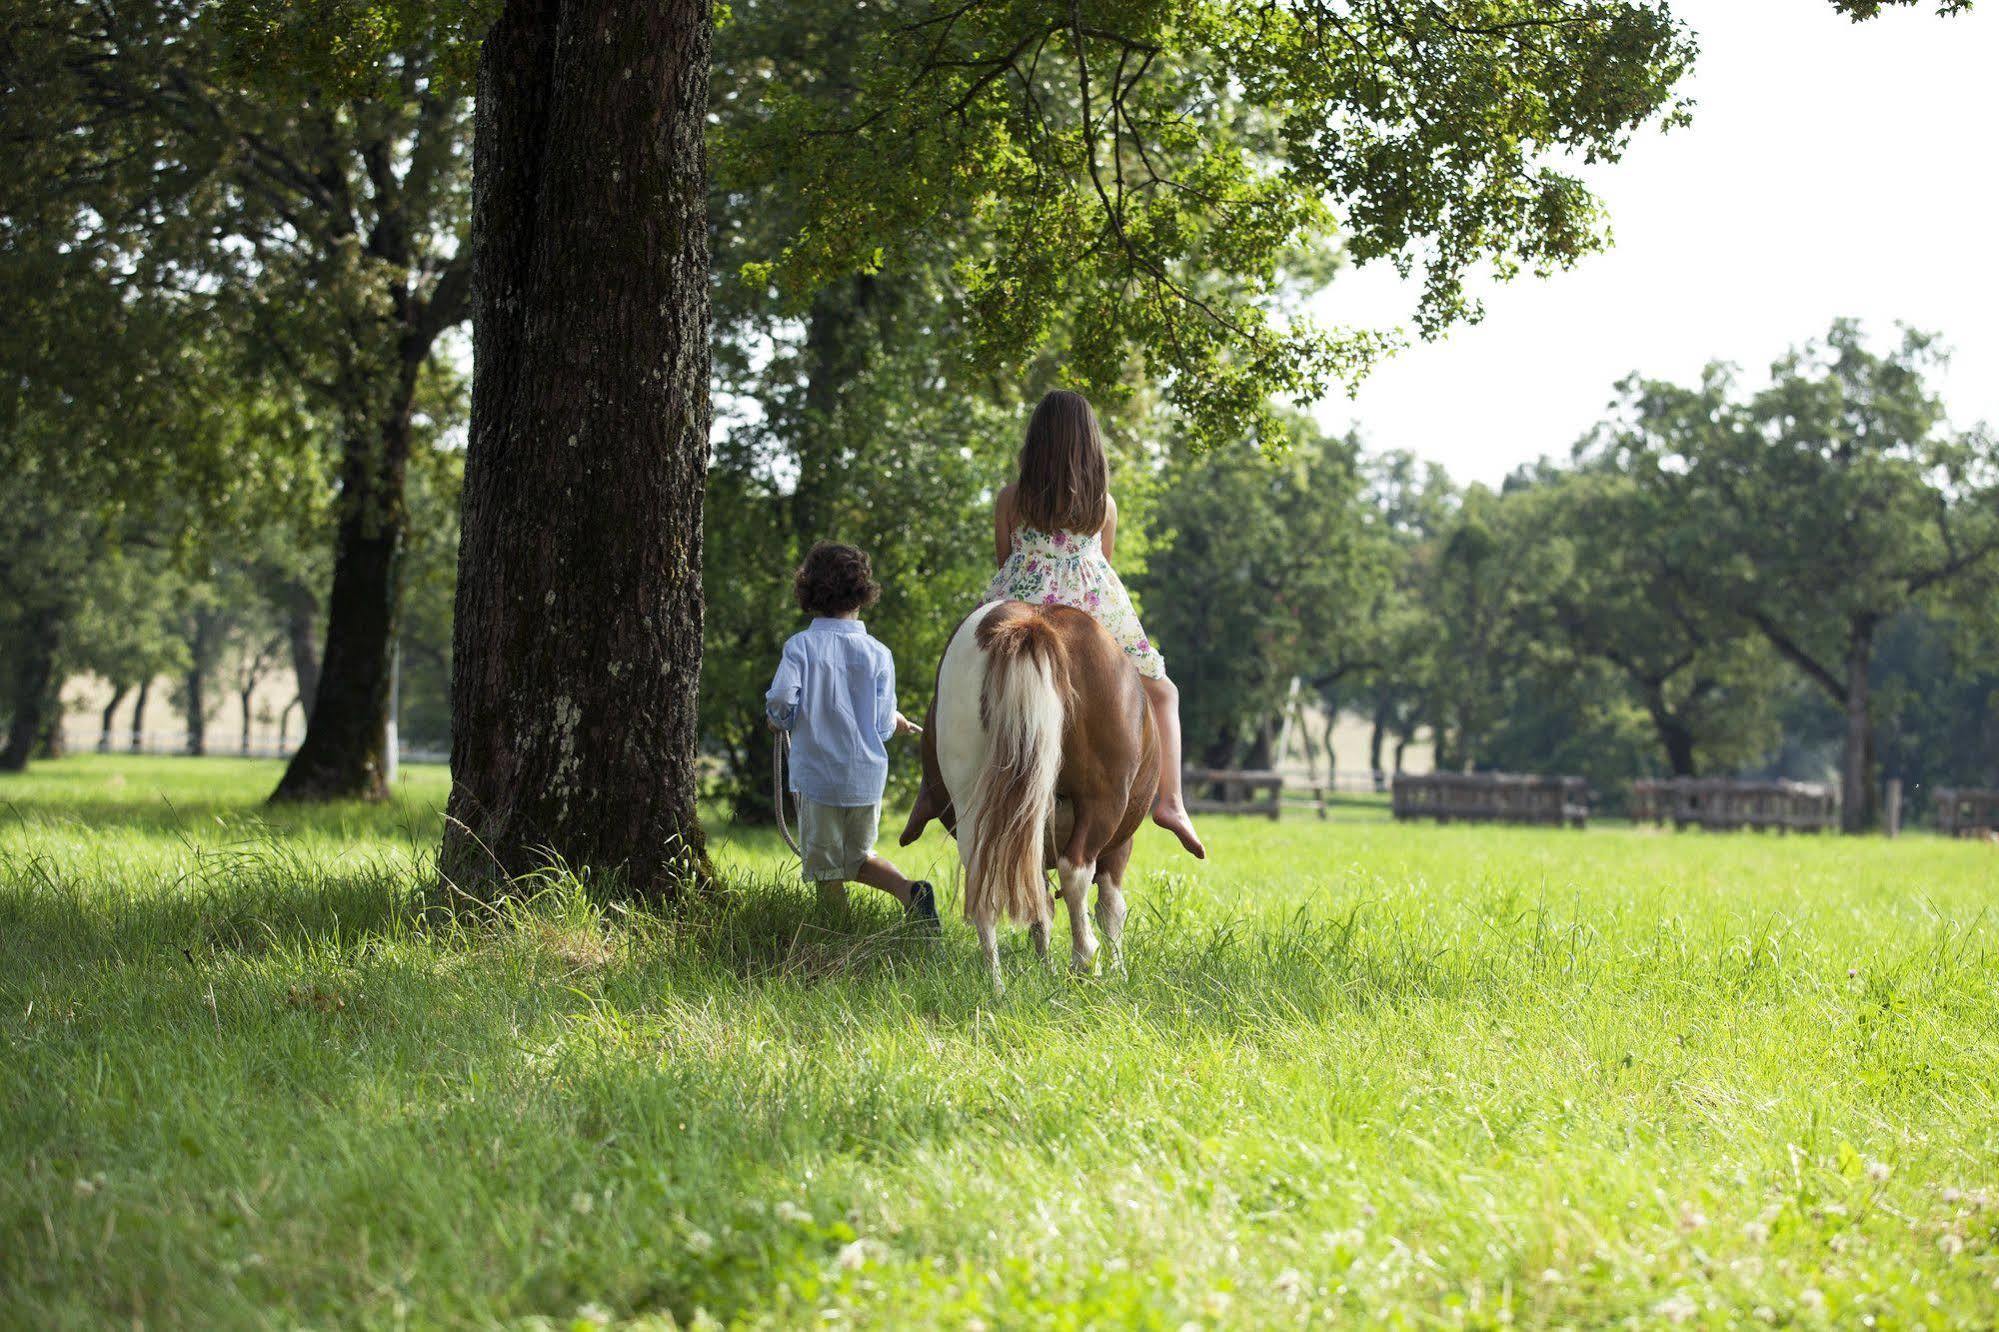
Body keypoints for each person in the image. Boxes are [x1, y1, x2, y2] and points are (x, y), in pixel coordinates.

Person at [985, 389, 1206, 859]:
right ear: (1091, 445)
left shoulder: (1010, 498)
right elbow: (1103, 564)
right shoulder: (1103, 505)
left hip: (1019, 602)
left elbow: (1004, 562)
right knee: (1165, 692)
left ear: (1036, 441)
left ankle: (932, 788)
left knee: (957, 680)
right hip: (1090, 604)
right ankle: (1172, 802)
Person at [766, 541, 941, 926]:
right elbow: (881, 724)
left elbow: (781, 698)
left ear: (808, 591)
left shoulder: (800, 647)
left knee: (827, 870)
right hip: (865, 777)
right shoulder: (878, 653)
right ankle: (909, 892)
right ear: (863, 592)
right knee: (859, 857)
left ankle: (836, 936)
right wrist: (890, 721)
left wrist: (779, 717)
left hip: (818, 778)